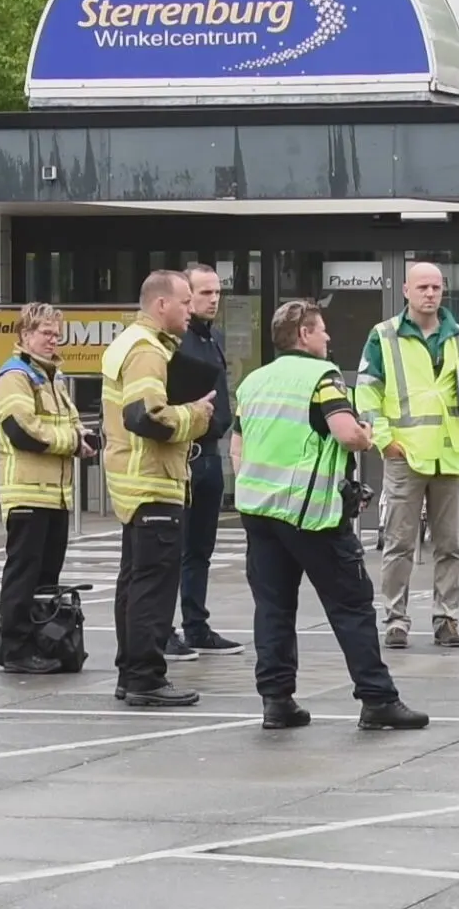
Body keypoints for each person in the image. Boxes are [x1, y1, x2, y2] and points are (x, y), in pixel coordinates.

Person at [234, 299, 430, 731]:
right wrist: (365, 435)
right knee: (351, 605)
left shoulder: (253, 381)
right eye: (321, 330)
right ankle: (377, 698)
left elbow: (238, 446)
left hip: (259, 512)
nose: (327, 338)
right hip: (312, 515)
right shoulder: (323, 378)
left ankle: (277, 701)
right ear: (303, 334)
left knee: (273, 607)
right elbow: (345, 434)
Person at [356, 261, 459, 650]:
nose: (430, 294)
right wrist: (383, 439)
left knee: (450, 545)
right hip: (405, 453)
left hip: (448, 452)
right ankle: (395, 620)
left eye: (436, 287)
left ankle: (446, 618)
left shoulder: (457, 336)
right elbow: (367, 391)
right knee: (399, 544)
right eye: (423, 287)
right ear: (406, 291)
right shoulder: (384, 335)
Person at [101, 269, 216, 707]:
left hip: (135, 482)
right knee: (153, 586)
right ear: (161, 304)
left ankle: (131, 672)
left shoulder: (129, 343)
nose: (191, 310)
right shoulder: (147, 351)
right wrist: (195, 416)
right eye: (185, 302)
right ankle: (146, 677)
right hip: (152, 481)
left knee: (135, 582)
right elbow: (144, 416)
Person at [0, 302, 94, 673]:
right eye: (45, 333)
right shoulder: (15, 376)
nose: (53, 339)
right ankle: (14, 647)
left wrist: (83, 438)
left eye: (56, 333)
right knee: (23, 573)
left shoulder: (52, 376)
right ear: (24, 334)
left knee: (46, 577)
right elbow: (21, 430)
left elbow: (70, 423)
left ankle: (41, 641)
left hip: (55, 492)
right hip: (27, 492)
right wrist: (71, 440)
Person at [164, 262, 244, 660]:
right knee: (173, 548)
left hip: (210, 453)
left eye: (217, 293)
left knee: (200, 549)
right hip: (185, 453)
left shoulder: (213, 338)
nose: (213, 300)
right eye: (205, 293)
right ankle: (165, 628)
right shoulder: (173, 342)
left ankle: (196, 624)